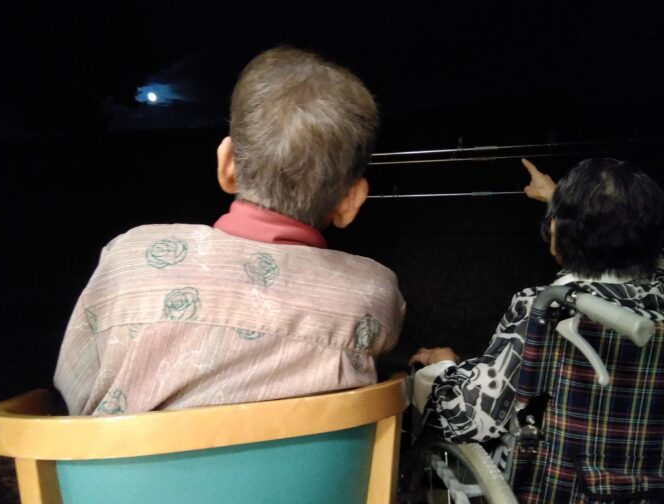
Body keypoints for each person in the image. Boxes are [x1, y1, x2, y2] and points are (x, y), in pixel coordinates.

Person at [54, 47, 405, 415]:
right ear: (351, 200)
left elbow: (75, 394)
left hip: (119, 456)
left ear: (227, 165)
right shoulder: (374, 293)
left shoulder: (129, 261)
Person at [410, 157, 664, 443]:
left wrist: (442, 367)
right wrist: (561, 200)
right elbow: (646, 247)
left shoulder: (545, 309)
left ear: (557, 231)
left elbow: (469, 421)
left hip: (554, 469)